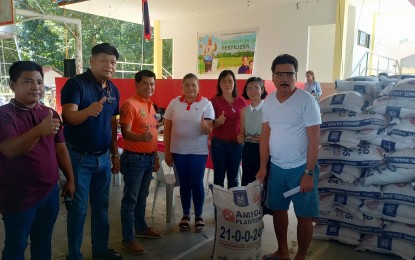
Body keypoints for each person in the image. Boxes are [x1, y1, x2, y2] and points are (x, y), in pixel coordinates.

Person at [0, 61, 75, 259]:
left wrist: (71, 178)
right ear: (13, 85)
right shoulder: (4, 115)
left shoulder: (49, 113)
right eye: (28, 81)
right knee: (16, 245)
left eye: (40, 82)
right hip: (19, 195)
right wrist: (40, 130)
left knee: (43, 241)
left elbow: (60, 148)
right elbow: (10, 150)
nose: (36, 87)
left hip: (49, 191)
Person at [61, 43, 123, 260]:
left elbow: (112, 124)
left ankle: (100, 250)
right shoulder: (75, 84)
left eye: (113, 62)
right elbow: (68, 118)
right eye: (104, 60)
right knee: (78, 211)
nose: (109, 66)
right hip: (79, 158)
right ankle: (74, 255)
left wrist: (115, 154)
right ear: (92, 62)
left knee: (101, 208)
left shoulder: (113, 90)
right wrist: (88, 111)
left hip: (104, 158)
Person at [256, 54, 321, 260]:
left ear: (296, 76)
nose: (285, 78)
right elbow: (265, 136)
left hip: (301, 168)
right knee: (278, 210)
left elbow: (314, 139)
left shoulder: (307, 101)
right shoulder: (268, 103)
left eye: (289, 74)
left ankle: (300, 256)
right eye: (280, 74)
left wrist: (309, 173)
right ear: (273, 77)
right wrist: (263, 166)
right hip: (276, 168)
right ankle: (282, 251)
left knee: (303, 215)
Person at [163, 73, 215, 233]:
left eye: (194, 85)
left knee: (197, 183)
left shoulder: (206, 103)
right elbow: (167, 128)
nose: (190, 88)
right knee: (184, 184)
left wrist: (207, 128)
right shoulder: (174, 103)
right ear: (182, 87)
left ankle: (198, 216)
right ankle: (186, 214)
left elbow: (209, 128)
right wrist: (167, 151)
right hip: (178, 151)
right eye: (187, 85)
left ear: (198, 87)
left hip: (198, 152)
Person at [119, 70, 162, 255]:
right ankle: (128, 238)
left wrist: (155, 155)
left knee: (143, 196)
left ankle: (141, 228)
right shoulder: (130, 105)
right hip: (134, 159)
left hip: (149, 157)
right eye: (145, 83)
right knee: (130, 199)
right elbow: (126, 133)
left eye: (152, 84)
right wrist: (141, 137)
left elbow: (152, 133)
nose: (149, 87)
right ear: (136, 84)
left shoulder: (151, 105)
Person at [211, 70, 246, 188]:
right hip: (218, 145)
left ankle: (233, 207)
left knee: (233, 180)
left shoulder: (241, 101)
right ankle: (219, 207)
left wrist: (243, 135)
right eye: (224, 81)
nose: (227, 84)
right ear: (219, 84)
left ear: (234, 83)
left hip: (237, 146)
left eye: (230, 81)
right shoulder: (214, 101)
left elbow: (244, 124)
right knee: (218, 179)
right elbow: (209, 126)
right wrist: (217, 122)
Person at [237, 77, 267, 186]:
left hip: (264, 149)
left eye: (256, 88)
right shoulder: (244, 111)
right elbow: (242, 133)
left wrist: (264, 138)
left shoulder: (268, 108)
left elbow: (275, 132)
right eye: (249, 88)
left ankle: (263, 203)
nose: (252, 91)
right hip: (248, 150)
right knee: (248, 181)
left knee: (263, 181)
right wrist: (240, 137)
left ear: (262, 90)